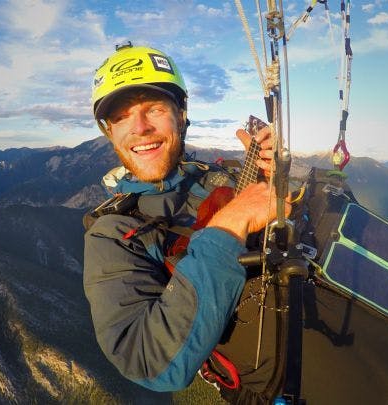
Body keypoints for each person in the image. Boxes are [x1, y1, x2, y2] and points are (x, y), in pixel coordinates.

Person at [83, 42, 289, 394]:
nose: (140, 127)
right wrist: (230, 223)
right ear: (110, 132)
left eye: (154, 108)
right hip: (280, 379)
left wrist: (273, 181)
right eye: (120, 116)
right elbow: (149, 362)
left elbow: (272, 219)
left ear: (181, 113)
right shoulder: (113, 234)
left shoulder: (214, 177)